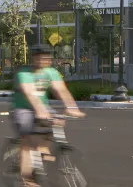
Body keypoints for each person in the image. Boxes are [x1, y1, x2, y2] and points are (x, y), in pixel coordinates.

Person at [11, 44, 85, 186]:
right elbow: (30, 94)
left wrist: (71, 107)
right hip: (22, 108)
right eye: (39, 57)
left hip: (42, 108)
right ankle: (27, 179)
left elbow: (61, 90)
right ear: (34, 58)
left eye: (45, 57)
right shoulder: (24, 73)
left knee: (57, 122)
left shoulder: (51, 72)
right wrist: (40, 110)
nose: (42, 60)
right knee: (27, 138)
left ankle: (40, 153)